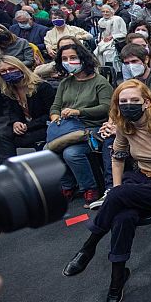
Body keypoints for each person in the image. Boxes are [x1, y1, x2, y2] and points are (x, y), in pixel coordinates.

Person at [62, 79, 151, 302]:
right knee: (123, 217)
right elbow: (118, 157)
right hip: (138, 179)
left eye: (134, 101)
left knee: (119, 196)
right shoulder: (125, 125)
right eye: (123, 101)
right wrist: (117, 189)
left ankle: (89, 246)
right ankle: (117, 279)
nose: (128, 105)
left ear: (147, 103)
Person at [50, 43, 113, 207]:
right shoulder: (65, 83)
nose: (68, 62)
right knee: (49, 151)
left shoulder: (99, 82)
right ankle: (68, 185)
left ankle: (90, 188)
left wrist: (79, 111)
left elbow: (106, 108)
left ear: (83, 59)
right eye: (64, 59)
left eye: (73, 58)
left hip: (93, 129)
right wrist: (55, 116)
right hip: (69, 128)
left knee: (71, 154)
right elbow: (55, 106)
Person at [0, 56, 56, 163]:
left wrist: (27, 126)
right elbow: (13, 113)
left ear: (21, 68)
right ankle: (9, 171)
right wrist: (16, 122)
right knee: (1, 135)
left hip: (46, 126)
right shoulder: (9, 90)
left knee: (7, 140)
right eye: (3, 71)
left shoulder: (42, 87)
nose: (8, 72)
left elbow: (51, 114)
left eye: (12, 69)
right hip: (27, 127)